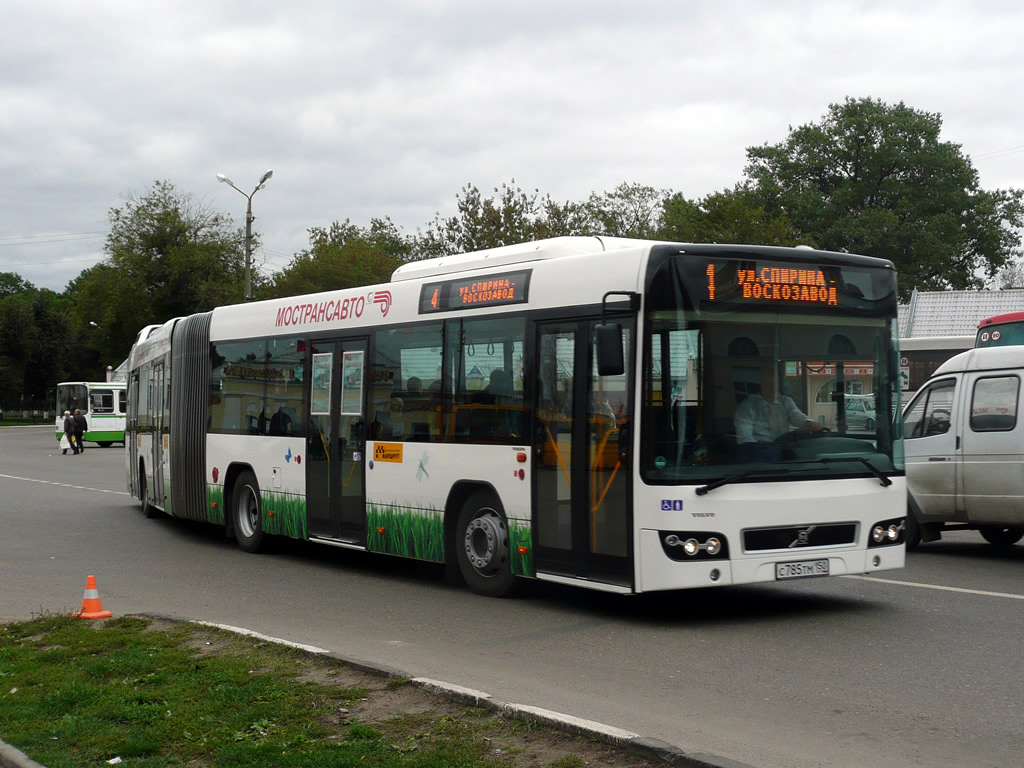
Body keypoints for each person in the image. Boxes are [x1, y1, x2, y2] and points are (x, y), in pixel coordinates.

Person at [734, 364, 821, 461]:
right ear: (761, 384)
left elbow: (797, 416)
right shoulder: (748, 405)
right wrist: (759, 452)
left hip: (784, 448)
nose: (771, 386)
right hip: (758, 452)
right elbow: (745, 437)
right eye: (768, 383)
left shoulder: (785, 401)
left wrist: (808, 422)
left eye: (774, 383)